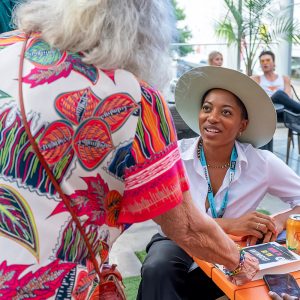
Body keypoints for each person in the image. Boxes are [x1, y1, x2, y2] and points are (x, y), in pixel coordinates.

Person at [0, 1, 259, 298]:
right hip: (47, 287)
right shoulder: (136, 99)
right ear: (143, 34)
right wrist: (241, 263)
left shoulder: (5, 48)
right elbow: (187, 227)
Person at [138, 66, 300, 300]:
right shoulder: (174, 156)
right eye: (207, 108)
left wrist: (276, 221)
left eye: (226, 112)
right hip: (177, 241)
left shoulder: (261, 162)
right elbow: (173, 222)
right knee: (159, 268)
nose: (212, 117)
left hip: (232, 249)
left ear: (242, 124)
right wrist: (231, 224)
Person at [252, 50, 300, 114]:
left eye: (268, 60)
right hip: (267, 108)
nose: (265, 63)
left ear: (274, 63)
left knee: (280, 96)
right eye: (262, 61)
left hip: (283, 109)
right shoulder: (256, 79)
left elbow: (288, 97)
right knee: (279, 94)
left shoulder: (284, 79)